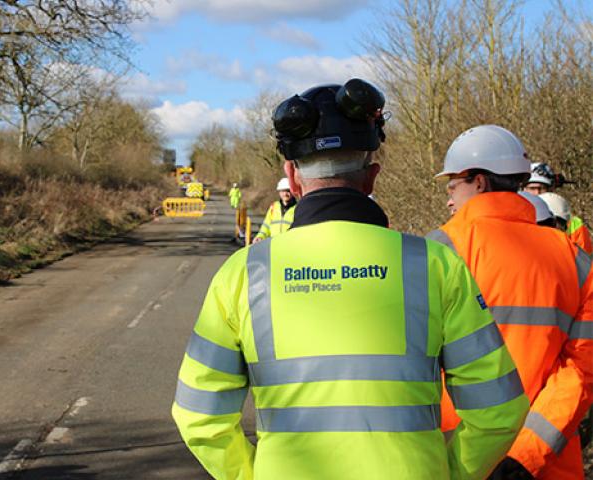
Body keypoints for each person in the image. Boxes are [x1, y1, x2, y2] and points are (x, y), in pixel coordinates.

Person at [172, 79, 528, 479]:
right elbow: (499, 411)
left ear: (292, 177)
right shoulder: (435, 265)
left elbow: (198, 417)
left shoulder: (243, 274)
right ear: (372, 176)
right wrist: (448, 473)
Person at [427, 125, 593, 480]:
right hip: (547, 465)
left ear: (479, 182)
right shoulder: (576, 260)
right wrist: (526, 455)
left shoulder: (436, 251)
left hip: (458, 460)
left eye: (453, 185)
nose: (448, 199)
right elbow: (580, 373)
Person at [523, 162, 592, 254]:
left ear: (551, 189)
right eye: (532, 188)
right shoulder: (516, 219)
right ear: (523, 189)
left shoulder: (573, 225)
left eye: (542, 188)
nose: (537, 193)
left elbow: (584, 261)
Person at [252, 177, 297, 243]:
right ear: (279, 192)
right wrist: (260, 236)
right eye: (283, 191)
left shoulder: (297, 208)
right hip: (273, 245)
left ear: (292, 192)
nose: (285, 194)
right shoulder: (273, 207)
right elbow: (266, 225)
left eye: (288, 191)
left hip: (289, 245)